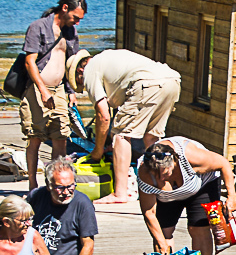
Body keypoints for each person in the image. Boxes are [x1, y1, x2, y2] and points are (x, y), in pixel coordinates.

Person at [69, 48, 182, 189]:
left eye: (81, 83)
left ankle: (120, 193)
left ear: (80, 71)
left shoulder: (90, 69)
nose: (84, 87)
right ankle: (163, 187)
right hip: (172, 81)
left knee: (121, 137)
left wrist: (97, 151)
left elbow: (103, 115)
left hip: (147, 84)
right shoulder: (109, 57)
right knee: (152, 138)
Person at [136, 135, 236, 255]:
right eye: (156, 175)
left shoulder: (190, 155)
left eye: (165, 173)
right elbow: (149, 213)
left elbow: (223, 163)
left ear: (174, 162)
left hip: (201, 185)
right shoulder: (144, 172)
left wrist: (231, 197)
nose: (162, 178)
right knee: (163, 233)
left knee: (198, 228)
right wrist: (162, 243)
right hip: (166, 197)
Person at [20, 0, 87, 182]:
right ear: (64, 8)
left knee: (61, 135)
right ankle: (32, 183)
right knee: (35, 136)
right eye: (75, 17)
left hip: (59, 90)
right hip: (37, 88)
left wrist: (71, 91)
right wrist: (43, 90)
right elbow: (29, 62)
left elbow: (72, 63)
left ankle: (55, 182)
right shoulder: (39, 27)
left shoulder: (71, 32)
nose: (77, 22)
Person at [27, 157, 98, 255]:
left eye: (70, 186)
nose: (66, 192)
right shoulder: (37, 196)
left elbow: (88, 245)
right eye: (60, 187)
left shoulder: (82, 204)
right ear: (48, 185)